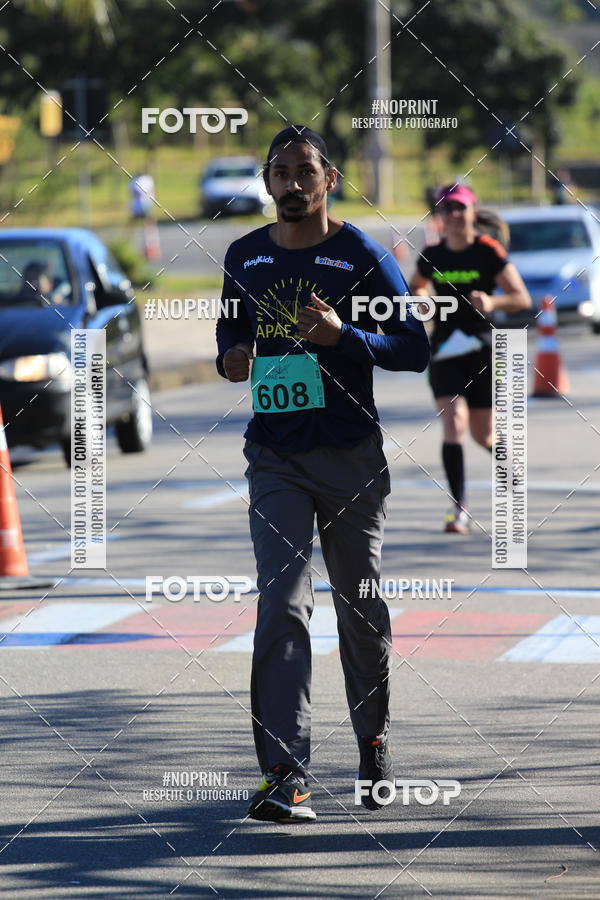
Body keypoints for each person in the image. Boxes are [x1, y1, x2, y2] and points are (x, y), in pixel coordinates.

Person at [216, 125, 430, 822]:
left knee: (358, 606)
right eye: (279, 173)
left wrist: (346, 337)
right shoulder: (244, 258)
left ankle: (373, 739)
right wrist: (233, 359)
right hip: (274, 456)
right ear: (268, 182)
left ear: (329, 179)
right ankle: (287, 772)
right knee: (282, 604)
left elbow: (413, 348)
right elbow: (228, 338)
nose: (292, 184)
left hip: (350, 458)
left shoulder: (360, 254)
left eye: (304, 171)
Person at [409, 184, 530, 534]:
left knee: (482, 434)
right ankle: (459, 508)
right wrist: (421, 298)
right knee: (454, 424)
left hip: (483, 350)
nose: (455, 215)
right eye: (448, 209)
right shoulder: (432, 254)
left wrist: (492, 303)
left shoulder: (488, 251)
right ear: (440, 217)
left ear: (473, 211)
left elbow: (521, 298)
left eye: (461, 208)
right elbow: (415, 284)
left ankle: (510, 469)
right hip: (445, 351)